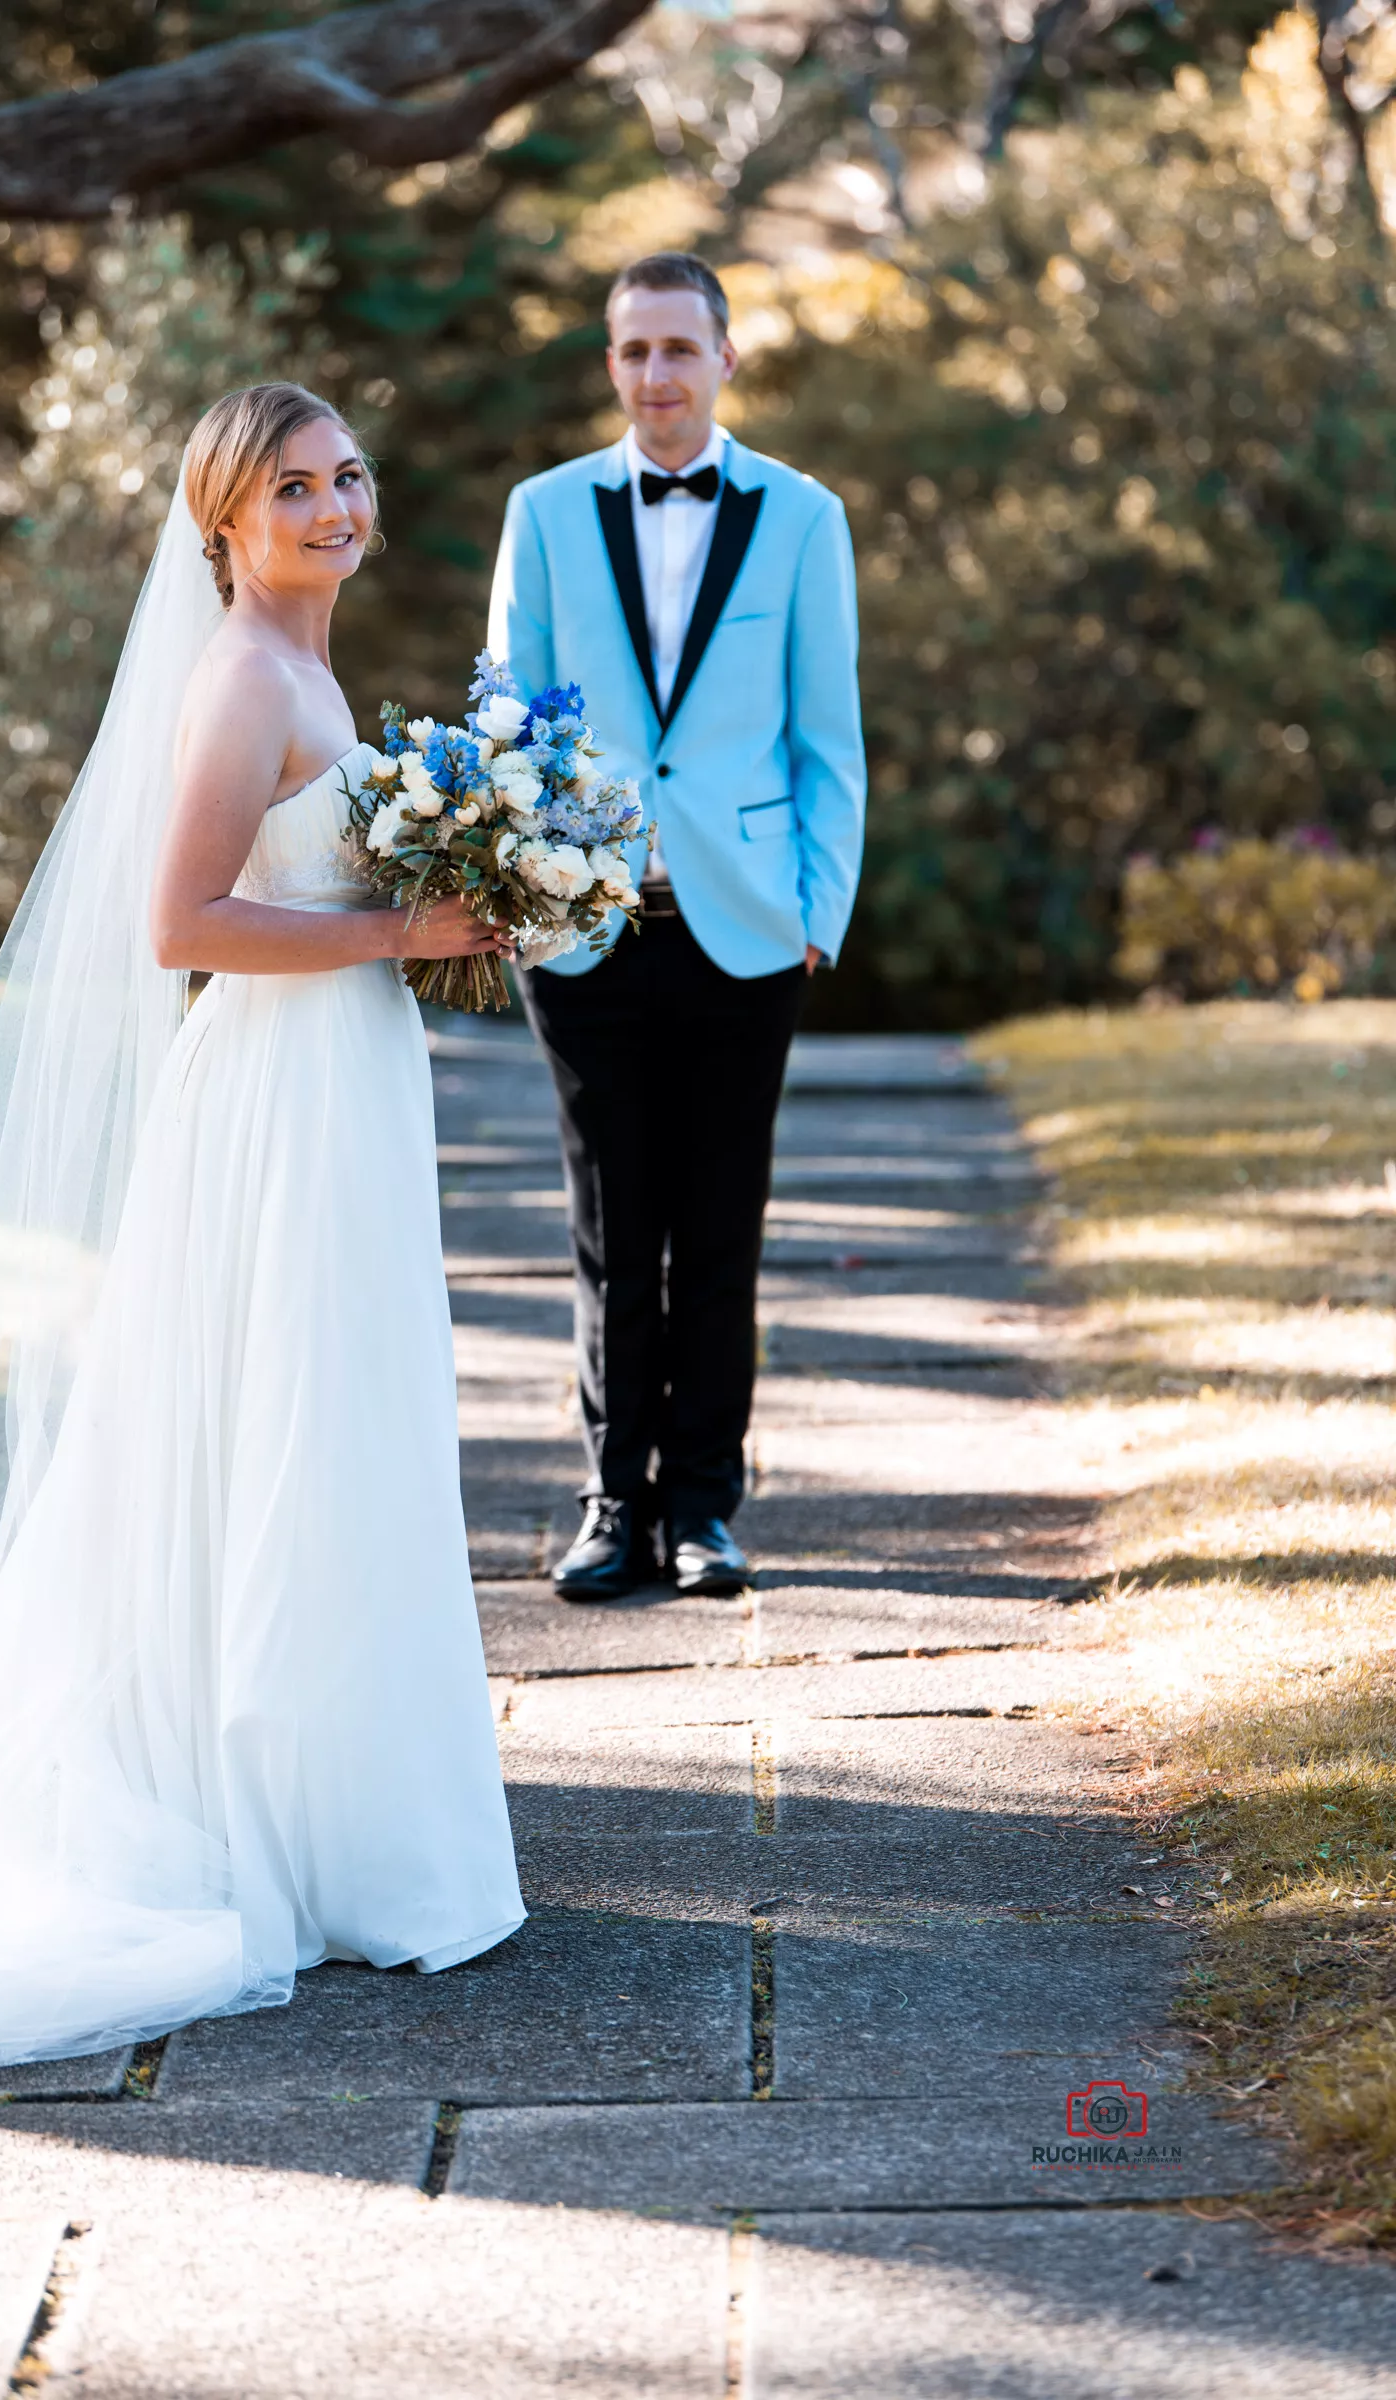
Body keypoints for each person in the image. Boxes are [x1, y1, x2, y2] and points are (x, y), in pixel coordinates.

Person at [0, 383, 524, 2085]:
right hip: (274, 1101)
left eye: (349, 477)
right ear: (224, 518)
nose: (336, 508)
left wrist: (461, 914)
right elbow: (178, 922)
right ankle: (264, 1821)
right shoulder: (247, 678)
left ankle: (341, 1818)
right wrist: (405, 926)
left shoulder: (311, 669)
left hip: (339, 1085)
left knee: (331, 1431)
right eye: (296, 487)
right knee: (275, 1430)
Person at [488, 252, 867, 1604]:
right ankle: (611, 1505)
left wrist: (819, 908)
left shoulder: (805, 517)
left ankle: (703, 1510)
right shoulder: (542, 513)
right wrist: (524, 900)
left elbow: (830, 739)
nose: (657, 374)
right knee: (610, 1229)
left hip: (748, 927)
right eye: (634, 350)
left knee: (719, 1231)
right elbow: (511, 721)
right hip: (584, 935)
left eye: (679, 348)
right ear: (612, 366)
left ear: (724, 358)